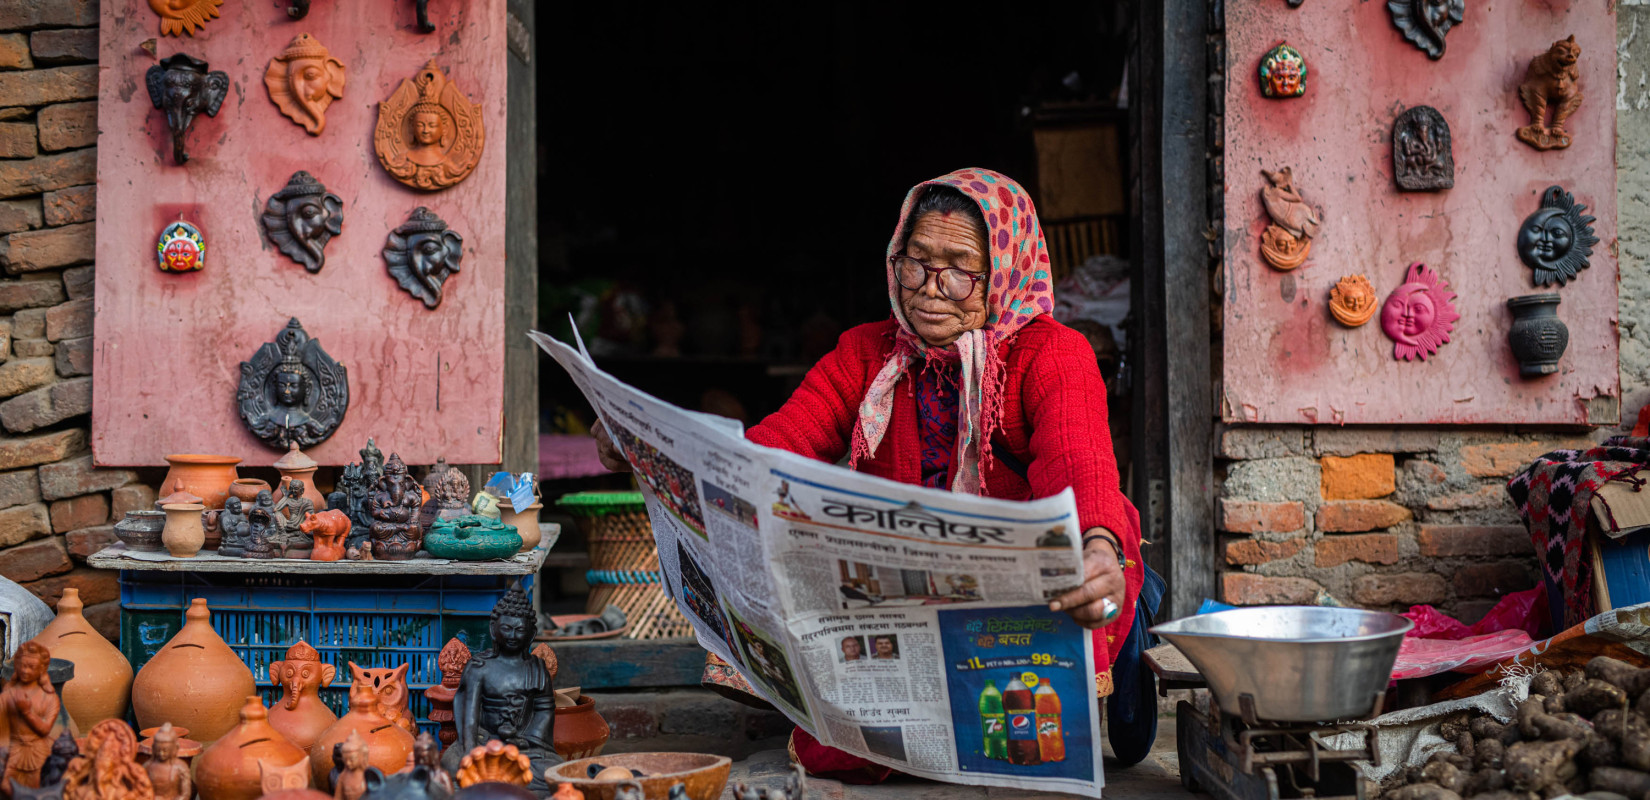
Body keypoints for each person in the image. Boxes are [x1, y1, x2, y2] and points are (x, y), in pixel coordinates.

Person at [594, 168, 1142, 782]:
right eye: (916, 263)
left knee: (1017, 732)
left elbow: (1081, 463)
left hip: (1010, 593)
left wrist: (1096, 547)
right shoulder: (865, 351)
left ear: (1004, 271)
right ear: (894, 260)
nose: (931, 290)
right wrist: (646, 449)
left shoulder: (1050, 352)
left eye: (960, 269)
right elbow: (778, 446)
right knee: (836, 752)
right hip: (902, 599)